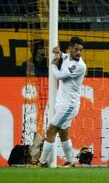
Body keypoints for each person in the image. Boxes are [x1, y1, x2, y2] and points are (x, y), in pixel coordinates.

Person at [36, 36, 86, 167]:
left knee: (51, 130)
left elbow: (58, 76)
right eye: (76, 49)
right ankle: (71, 161)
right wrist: (59, 52)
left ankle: (41, 162)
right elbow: (64, 57)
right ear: (70, 49)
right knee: (63, 132)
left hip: (69, 105)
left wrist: (53, 64)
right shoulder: (67, 57)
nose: (78, 53)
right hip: (62, 102)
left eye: (80, 50)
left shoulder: (79, 66)